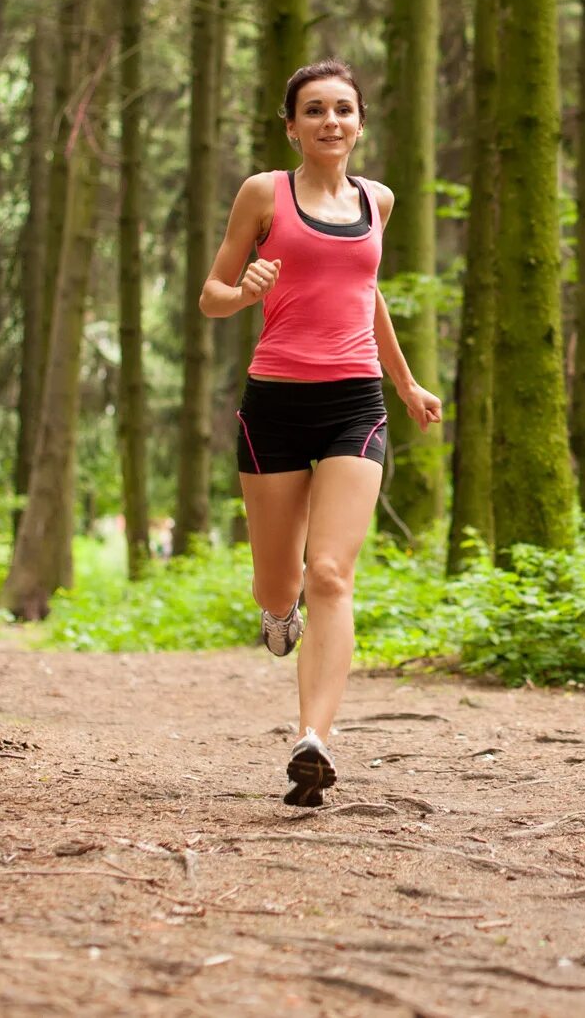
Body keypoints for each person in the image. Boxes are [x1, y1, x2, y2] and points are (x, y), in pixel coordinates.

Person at [199, 59, 442, 806]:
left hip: (354, 403)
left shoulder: (379, 201)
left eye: (343, 109)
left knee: (332, 570)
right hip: (273, 402)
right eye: (314, 110)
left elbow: (365, 296)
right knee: (280, 583)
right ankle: (279, 613)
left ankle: (314, 740)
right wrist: (244, 292)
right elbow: (211, 296)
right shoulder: (263, 193)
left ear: (359, 122)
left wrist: (404, 383)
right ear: (292, 126)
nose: (330, 121)